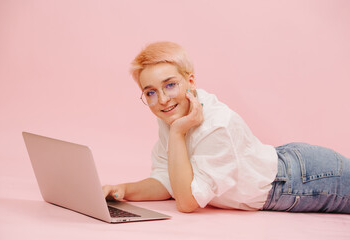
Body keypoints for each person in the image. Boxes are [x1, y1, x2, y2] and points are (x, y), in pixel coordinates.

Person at [102, 41, 350, 213]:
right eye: (151, 92)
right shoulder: (171, 116)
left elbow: (186, 202)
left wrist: (178, 132)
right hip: (282, 160)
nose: (163, 100)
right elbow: (170, 182)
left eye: (170, 85)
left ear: (190, 81)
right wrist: (124, 189)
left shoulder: (215, 124)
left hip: (301, 180)